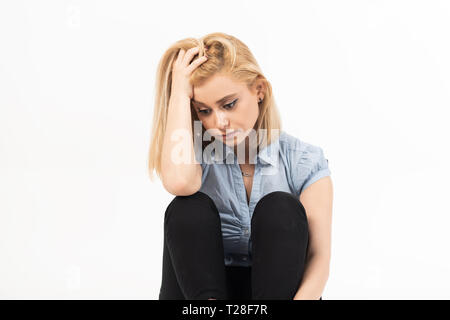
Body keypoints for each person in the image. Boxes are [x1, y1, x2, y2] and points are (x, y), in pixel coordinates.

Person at [147, 32, 333, 300]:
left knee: (281, 208)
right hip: (198, 296)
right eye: (204, 111)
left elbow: (319, 260)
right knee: (187, 207)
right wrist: (178, 94)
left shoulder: (304, 160)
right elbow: (178, 183)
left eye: (229, 104)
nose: (218, 122)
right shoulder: (194, 155)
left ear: (259, 90)